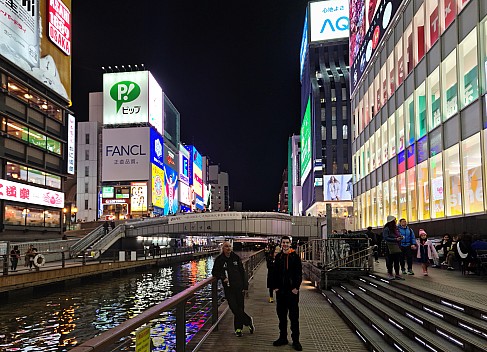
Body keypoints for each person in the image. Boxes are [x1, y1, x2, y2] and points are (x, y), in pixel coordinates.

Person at [212, 241, 254, 337]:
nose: (228, 248)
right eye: (226, 246)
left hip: (239, 286)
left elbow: (242, 271)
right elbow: (214, 272)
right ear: (223, 248)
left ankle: (238, 329)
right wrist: (223, 277)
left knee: (240, 307)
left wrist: (245, 286)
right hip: (229, 288)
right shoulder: (219, 259)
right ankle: (248, 321)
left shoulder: (235, 257)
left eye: (230, 246)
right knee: (233, 307)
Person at [272, 236, 303, 351]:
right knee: (282, 317)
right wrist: (275, 287)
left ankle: (296, 340)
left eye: (287, 243)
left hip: (292, 292)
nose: (285, 244)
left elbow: (299, 273)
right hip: (281, 292)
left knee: (294, 317)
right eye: (283, 243)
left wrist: (296, 287)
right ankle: (283, 337)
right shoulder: (278, 257)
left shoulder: (295, 257)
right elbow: (274, 273)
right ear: (281, 244)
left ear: (290, 244)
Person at [383, 215, 404, 280]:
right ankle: (390, 273)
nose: (396, 221)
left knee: (397, 261)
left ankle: (397, 274)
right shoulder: (386, 229)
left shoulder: (396, 228)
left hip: (396, 246)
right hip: (390, 246)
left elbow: (398, 234)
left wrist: (400, 237)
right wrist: (395, 239)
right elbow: (386, 238)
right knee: (390, 260)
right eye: (395, 220)